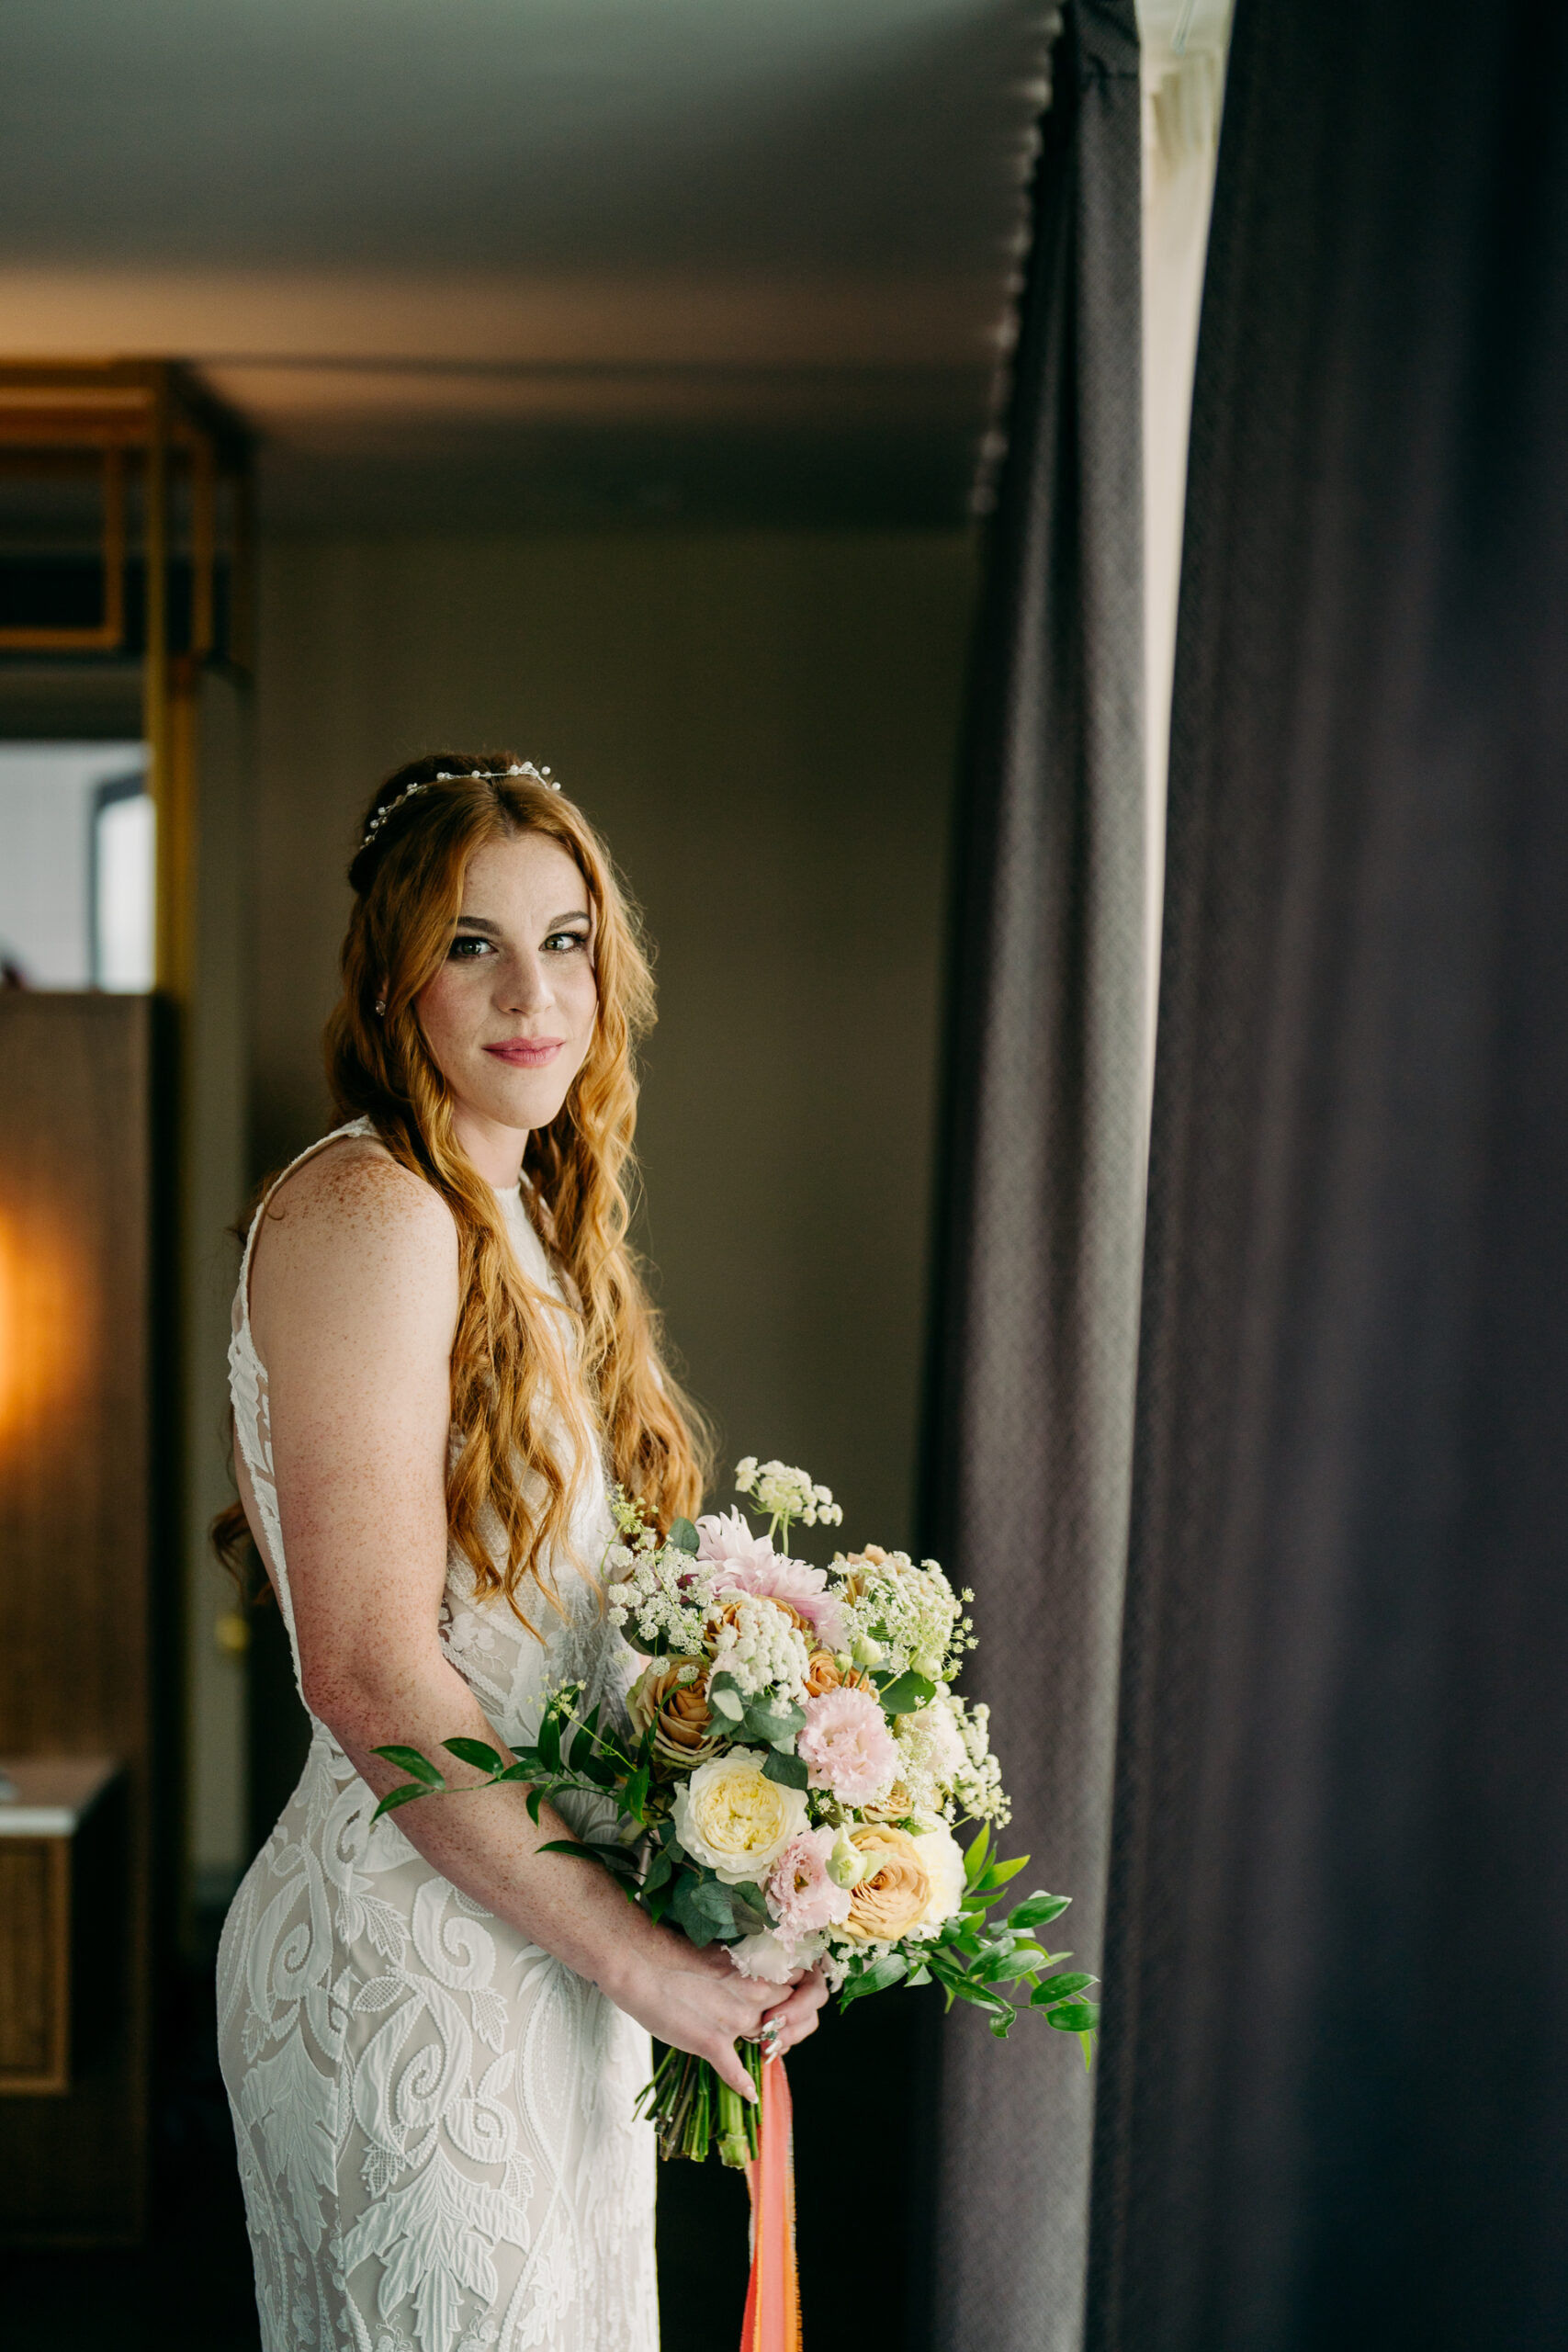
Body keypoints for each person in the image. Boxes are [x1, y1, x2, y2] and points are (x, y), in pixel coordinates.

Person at [216, 755, 827, 2352]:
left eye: (564, 939)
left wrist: (741, 1862)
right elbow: (367, 1674)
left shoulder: (532, 1232)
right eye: (471, 942)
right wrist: (648, 1966)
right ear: (393, 973)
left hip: (540, 1948)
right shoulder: (374, 1212)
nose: (529, 988)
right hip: (407, 1964)